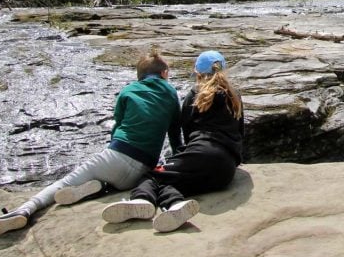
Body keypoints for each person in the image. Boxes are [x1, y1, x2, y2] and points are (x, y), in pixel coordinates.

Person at [0, 50, 181, 237]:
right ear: (164, 73)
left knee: (63, 183)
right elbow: (175, 136)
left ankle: (26, 209)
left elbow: (117, 127)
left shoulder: (128, 90)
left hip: (116, 156)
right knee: (122, 182)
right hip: (143, 169)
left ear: (140, 75)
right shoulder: (171, 93)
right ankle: (98, 187)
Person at [101, 49, 244, 232]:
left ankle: (145, 200)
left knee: (153, 177)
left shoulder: (195, 94)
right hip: (226, 171)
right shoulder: (234, 94)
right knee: (174, 181)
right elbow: (240, 132)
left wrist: (177, 158)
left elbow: (186, 132)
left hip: (199, 154)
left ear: (197, 73)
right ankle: (175, 206)